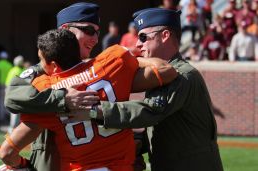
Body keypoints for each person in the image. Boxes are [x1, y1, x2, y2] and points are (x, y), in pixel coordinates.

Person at [1, 3, 177, 171]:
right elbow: (165, 71)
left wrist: (22, 166)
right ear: (65, 31)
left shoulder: (45, 84)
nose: (95, 38)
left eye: (97, 32)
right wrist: (130, 59)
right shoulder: (113, 60)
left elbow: (7, 152)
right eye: (88, 30)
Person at [66, 8, 224, 171]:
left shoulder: (182, 75)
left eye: (143, 37)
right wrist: (137, 146)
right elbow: (164, 127)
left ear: (165, 36)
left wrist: (94, 111)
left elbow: (150, 111)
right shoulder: (164, 73)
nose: (137, 44)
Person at [5, 55, 25, 133]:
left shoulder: (12, 70)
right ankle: (12, 130)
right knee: (16, 113)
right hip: (16, 93)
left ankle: (13, 129)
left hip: (11, 92)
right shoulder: (19, 70)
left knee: (15, 112)